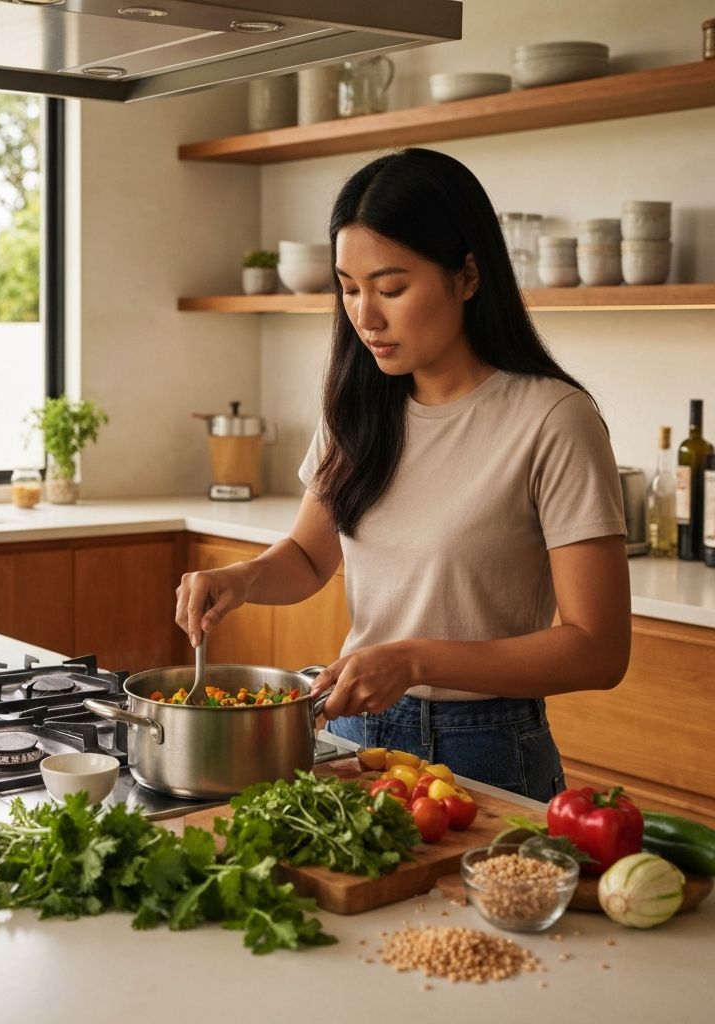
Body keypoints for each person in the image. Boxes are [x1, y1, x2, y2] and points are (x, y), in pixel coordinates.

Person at [175, 147, 630, 802]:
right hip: (356, 734)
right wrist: (239, 579)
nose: (365, 316)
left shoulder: (552, 419)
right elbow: (307, 555)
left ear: (468, 275)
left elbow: (598, 648)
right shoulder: (358, 409)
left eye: (391, 289)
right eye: (350, 288)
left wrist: (416, 659)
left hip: (488, 746)